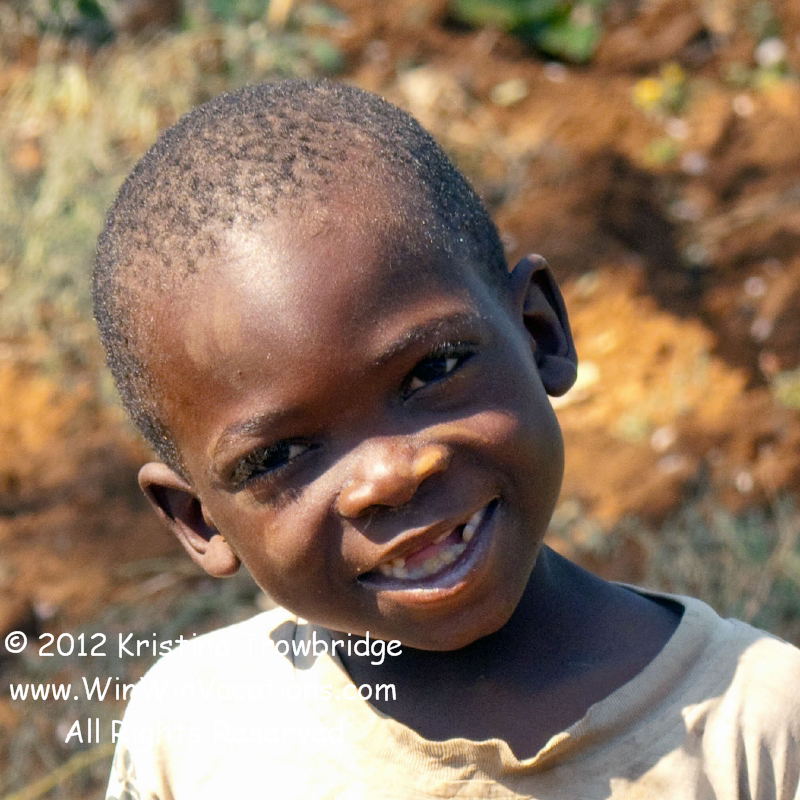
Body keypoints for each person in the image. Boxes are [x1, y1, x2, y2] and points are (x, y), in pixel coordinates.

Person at [95, 80, 800, 799]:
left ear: (539, 334)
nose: (388, 476)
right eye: (278, 456)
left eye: (433, 370)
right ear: (199, 521)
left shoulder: (760, 728)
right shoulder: (197, 732)